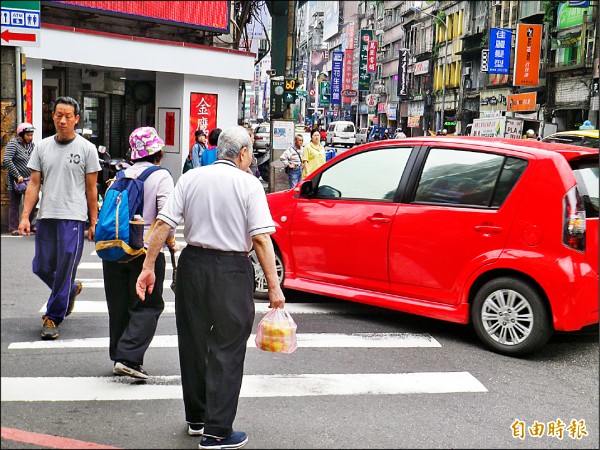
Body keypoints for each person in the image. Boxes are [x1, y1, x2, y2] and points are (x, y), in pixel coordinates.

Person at [135, 125, 285, 449]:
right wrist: (274, 287)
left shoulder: (190, 178)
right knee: (228, 347)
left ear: (219, 151)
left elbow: (163, 224)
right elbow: (260, 237)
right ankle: (217, 432)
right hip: (232, 269)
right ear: (243, 154)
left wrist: (148, 268)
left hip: (193, 266)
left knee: (193, 341)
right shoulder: (249, 184)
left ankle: (197, 418)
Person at [18, 96, 101, 340]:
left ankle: (53, 317)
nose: (62, 121)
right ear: (52, 116)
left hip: (73, 218)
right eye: (58, 115)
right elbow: (34, 183)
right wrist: (25, 217)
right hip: (46, 215)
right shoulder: (42, 147)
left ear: (76, 119)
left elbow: (91, 189)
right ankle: (70, 290)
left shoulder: (87, 149)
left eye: (68, 116)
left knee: (65, 269)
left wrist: (93, 222)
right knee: (41, 266)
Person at [103, 126, 177, 380]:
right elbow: (166, 216)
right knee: (148, 304)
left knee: (119, 304)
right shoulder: (161, 176)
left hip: (114, 249)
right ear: (157, 150)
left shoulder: (121, 174)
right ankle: (130, 358)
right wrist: (170, 240)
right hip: (144, 250)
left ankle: (119, 356)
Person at [4, 122, 38, 235]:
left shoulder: (31, 145)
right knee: (15, 203)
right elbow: (7, 160)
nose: (30, 137)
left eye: (31, 135)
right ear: (21, 134)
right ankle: (13, 227)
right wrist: (17, 175)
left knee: (34, 200)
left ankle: (29, 223)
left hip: (29, 179)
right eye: (28, 135)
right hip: (15, 180)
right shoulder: (13, 144)